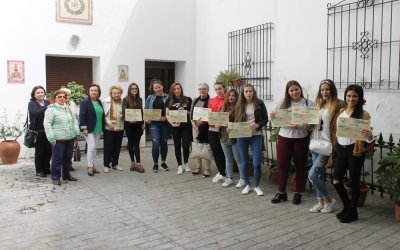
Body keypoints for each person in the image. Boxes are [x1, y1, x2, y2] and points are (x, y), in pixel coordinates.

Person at [333, 84, 373, 223]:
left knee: (353, 181)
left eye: (355, 96)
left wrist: (369, 135)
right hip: (341, 149)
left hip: (354, 151)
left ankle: (352, 211)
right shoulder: (341, 113)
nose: (351, 98)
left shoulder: (363, 114)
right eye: (349, 96)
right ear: (345, 96)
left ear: (360, 98)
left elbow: (368, 139)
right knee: (336, 180)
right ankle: (347, 206)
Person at [270, 80, 314, 204]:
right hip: (284, 137)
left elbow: (312, 123)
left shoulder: (308, 104)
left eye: (296, 89)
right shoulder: (282, 104)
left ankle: (298, 193)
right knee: (283, 164)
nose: (294, 92)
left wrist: (301, 126)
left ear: (300, 89)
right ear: (288, 92)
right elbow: (275, 121)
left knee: (300, 165)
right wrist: (272, 117)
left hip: (301, 138)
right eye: (291, 90)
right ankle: (281, 192)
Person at [308, 79, 346, 213]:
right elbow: (314, 124)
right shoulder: (319, 105)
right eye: (322, 90)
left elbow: (345, 122)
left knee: (312, 175)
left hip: (327, 146)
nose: (325, 92)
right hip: (316, 144)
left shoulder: (339, 105)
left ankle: (329, 199)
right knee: (319, 176)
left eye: (327, 89)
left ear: (333, 90)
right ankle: (321, 202)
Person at [235, 84, 268, 195]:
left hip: (256, 136)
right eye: (246, 91)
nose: (248, 93)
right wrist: (231, 129)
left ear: (253, 92)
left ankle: (257, 186)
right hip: (242, 136)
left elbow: (266, 119)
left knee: (257, 162)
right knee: (244, 162)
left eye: (250, 91)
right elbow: (235, 120)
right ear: (243, 93)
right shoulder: (239, 104)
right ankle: (248, 185)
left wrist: (258, 125)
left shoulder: (260, 103)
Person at [43, 89, 80, 185]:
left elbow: (75, 121)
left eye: (64, 96)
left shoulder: (69, 108)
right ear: (55, 98)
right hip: (58, 139)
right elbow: (47, 124)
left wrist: (77, 133)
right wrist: (51, 138)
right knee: (57, 159)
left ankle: (66, 175)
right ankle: (55, 178)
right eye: (59, 97)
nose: (62, 98)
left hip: (70, 137)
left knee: (67, 158)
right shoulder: (51, 110)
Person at [166, 82, 193, 175]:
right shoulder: (169, 100)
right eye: (175, 89)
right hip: (175, 126)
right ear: (172, 90)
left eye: (178, 88)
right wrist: (172, 123)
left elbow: (192, 113)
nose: (177, 90)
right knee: (177, 145)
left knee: (186, 146)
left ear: (181, 89)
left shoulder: (188, 99)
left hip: (186, 126)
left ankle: (186, 163)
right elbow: (167, 114)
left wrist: (185, 111)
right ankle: (179, 165)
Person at [219, 89, 244, 188]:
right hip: (224, 136)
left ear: (236, 97)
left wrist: (231, 125)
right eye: (229, 95)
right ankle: (229, 178)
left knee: (238, 159)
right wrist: (218, 123)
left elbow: (241, 121)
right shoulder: (224, 107)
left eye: (233, 95)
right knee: (228, 158)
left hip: (235, 137)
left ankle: (242, 179)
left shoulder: (239, 108)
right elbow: (218, 121)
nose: (230, 97)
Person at [79, 84, 104, 176]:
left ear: (98, 92)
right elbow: (82, 116)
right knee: (91, 146)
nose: (93, 92)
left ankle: (92, 165)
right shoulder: (84, 102)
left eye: (95, 90)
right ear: (89, 92)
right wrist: (84, 128)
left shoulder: (99, 101)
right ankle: (89, 166)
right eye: (92, 90)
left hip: (98, 128)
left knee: (95, 147)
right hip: (88, 129)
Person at [145, 78, 169, 173]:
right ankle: (155, 163)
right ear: (153, 89)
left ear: (162, 86)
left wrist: (166, 118)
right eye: (156, 88)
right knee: (156, 143)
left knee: (164, 143)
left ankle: (163, 162)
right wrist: (146, 118)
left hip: (165, 123)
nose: (158, 89)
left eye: (159, 87)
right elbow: (146, 110)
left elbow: (171, 110)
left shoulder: (168, 97)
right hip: (154, 123)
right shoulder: (150, 98)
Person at [28, 86, 52, 178]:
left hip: (48, 130)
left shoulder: (46, 102)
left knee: (49, 151)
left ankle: (46, 168)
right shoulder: (31, 103)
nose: (40, 94)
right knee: (40, 152)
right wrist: (47, 107)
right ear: (34, 95)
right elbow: (36, 113)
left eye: (42, 92)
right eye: (38, 92)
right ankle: (39, 170)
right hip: (38, 131)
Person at [190, 83, 211, 177]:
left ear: (207, 90)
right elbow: (191, 115)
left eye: (203, 89)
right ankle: (198, 167)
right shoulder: (195, 100)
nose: (201, 91)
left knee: (206, 147)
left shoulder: (211, 101)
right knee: (197, 146)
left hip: (207, 127)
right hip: (196, 127)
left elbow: (212, 115)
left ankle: (207, 169)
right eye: (200, 89)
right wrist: (194, 126)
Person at [122, 83, 145, 173]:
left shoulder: (140, 99)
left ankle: (138, 164)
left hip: (138, 125)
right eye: (132, 89)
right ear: (129, 90)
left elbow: (141, 112)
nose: (134, 90)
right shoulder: (125, 99)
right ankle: (132, 162)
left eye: (136, 88)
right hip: (129, 125)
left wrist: (142, 123)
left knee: (136, 144)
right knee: (131, 144)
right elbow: (124, 112)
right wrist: (128, 120)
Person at [102, 85, 124, 173]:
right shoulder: (106, 102)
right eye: (114, 93)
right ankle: (106, 165)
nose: (116, 95)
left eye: (118, 93)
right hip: (109, 128)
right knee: (108, 147)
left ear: (120, 93)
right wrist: (109, 123)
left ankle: (115, 164)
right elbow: (103, 115)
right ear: (111, 93)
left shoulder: (122, 102)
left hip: (120, 127)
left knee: (117, 147)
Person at [208, 82, 227, 183]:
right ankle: (221, 172)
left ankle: (224, 172)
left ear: (224, 88)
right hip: (212, 129)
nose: (218, 91)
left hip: (223, 130)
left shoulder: (228, 100)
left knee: (224, 152)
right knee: (215, 152)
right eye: (216, 89)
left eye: (220, 88)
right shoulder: (212, 100)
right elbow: (208, 114)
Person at [60, 87, 78, 172]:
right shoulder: (58, 103)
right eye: (64, 94)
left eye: (68, 94)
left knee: (70, 150)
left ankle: (69, 164)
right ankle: (61, 166)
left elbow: (75, 116)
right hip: (61, 131)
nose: (66, 96)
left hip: (72, 130)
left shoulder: (73, 104)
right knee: (61, 150)